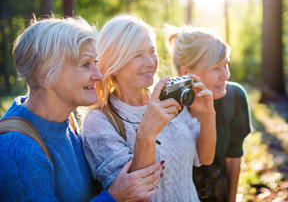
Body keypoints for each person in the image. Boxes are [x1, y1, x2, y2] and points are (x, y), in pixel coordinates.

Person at [0, 16, 164, 201]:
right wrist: (114, 197)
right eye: (86, 64)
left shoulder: (66, 123)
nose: (98, 74)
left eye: (95, 62)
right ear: (46, 75)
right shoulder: (19, 150)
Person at [82, 14, 216, 202]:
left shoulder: (167, 97)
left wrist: (208, 114)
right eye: (138, 55)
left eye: (152, 51)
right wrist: (146, 133)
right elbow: (134, 196)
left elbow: (205, 158)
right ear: (114, 63)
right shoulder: (99, 123)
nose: (151, 62)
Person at [164, 25, 252, 202]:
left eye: (226, 64)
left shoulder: (234, 98)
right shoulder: (166, 106)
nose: (225, 75)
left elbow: (233, 159)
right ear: (186, 73)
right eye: (216, 68)